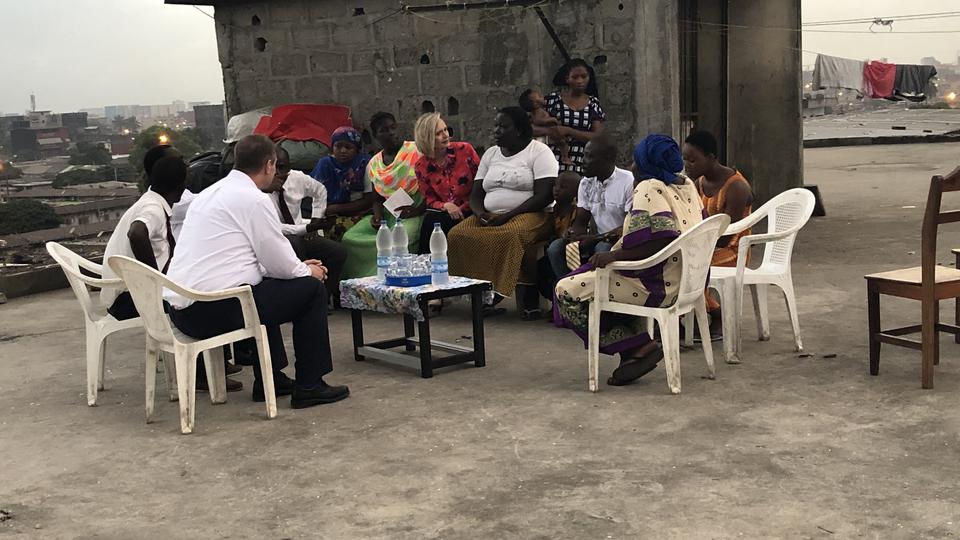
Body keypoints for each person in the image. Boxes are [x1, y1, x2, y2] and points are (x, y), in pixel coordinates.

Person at [164, 134, 349, 409]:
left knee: (264, 286)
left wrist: (299, 268)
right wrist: (308, 271)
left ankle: (270, 379)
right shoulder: (253, 199)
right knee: (311, 291)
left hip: (183, 309)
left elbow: (250, 261)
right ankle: (310, 385)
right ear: (269, 165)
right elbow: (279, 261)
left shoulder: (210, 194)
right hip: (210, 311)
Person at [554, 134, 705, 386]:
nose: (633, 166)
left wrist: (613, 256)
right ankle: (634, 352)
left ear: (647, 164)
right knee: (591, 279)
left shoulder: (650, 187)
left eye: (637, 161)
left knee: (566, 291)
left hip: (658, 283)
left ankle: (636, 346)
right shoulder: (686, 184)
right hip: (691, 279)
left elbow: (660, 241)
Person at [447, 106, 559, 313]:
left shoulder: (539, 152)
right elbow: (476, 195)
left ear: (519, 130)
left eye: (503, 126)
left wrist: (508, 215)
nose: (496, 131)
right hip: (490, 215)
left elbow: (544, 196)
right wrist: (480, 213)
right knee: (458, 234)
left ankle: (497, 291)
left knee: (510, 235)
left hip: (531, 214)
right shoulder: (491, 154)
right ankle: (477, 291)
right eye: (496, 125)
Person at [682, 130, 753, 338]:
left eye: (693, 160)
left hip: (732, 250)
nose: (687, 165)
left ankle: (717, 314)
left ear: (711, 157)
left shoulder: (736, 187)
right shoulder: (698, 183)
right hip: (705, 246)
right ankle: (690, 317)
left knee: (690, 265)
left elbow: (726, 235)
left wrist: (694, 244)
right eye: (685, 159)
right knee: (677, 262)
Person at [101, 155, 187, 321]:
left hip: (123, 294)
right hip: (128, 299)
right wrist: (154, 280)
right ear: (180, 187)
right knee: (198, 302)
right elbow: (137, 233)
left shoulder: (149, 200)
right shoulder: (153, 209)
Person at [340, 112, 423, 279]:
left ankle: (389, 279)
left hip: (414, 211)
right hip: (388, 214)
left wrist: (417, 210)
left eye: (392, 128)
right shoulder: (374, 164)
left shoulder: (416, 151)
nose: (391, 133)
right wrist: (377, 216)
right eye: (384, 130)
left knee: (397, 239)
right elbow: (377, 198)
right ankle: (360, 282)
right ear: (375, 135)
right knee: (350, 237)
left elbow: (433, 186)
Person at [266, 145, 348, 302]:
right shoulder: (261, 190)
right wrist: (307, 228)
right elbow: (275, 227)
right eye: (276, 168)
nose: (279, 173)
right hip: (277, 237)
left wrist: (316, 218)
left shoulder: (296, 178)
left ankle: (322, 299)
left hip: (302, 232)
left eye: (283, 168)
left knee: (337, 252)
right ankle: (302, 300)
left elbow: (320, 190)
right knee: (296, 244)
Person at [550, 135, 634, 277]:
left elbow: (627, 227)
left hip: (620, 242)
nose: (583, 161)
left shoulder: (628, 181)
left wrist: (594, 239)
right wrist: (573, 234)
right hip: (598, 238)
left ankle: (596, 288)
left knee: (602, 248)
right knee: (556, 248)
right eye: (584, 155)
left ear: (607, 159)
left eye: (589, 157)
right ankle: (569, 287)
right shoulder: (586, 183)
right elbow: (581, 221)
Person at [413, 112, 479, 254]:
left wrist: (464, 207)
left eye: (445, 130)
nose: (445, 135)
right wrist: (446, 206)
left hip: (472, 207)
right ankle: (427, 263)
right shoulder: (421, 166)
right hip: (446, 212)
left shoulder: (465, 150)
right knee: (432, 221)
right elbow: (429, 199)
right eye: (438, 133)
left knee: (439, 223)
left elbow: (481, 182)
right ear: (427, 138)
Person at [540, 59, 606, 174]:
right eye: (575, 77)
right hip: (552, 162)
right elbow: (531, 127)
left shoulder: (593, 104)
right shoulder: (552, 100)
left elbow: (597, 137)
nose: (580, 81)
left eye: (584, 77)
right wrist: (551, 131)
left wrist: (569, 131)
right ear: (567, 79)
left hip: (581, 162)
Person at [309, 126, 373, 241]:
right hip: (328, 213)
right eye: (338, 146)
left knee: (343, 231)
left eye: (348, 147)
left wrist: (336, 208)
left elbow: (368, 200)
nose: (343, 151)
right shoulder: (325, 165)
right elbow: (314, 195)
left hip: (359, 213)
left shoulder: (365, 164)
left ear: (357, 149)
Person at [536, 171, 581, 303]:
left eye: (563, 187)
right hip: (552, 251)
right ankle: (555, 303)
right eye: (555, 185)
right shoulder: (554, 209)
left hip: (570, 252)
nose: (556, 190)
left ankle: (568, 297)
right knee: (540, 270)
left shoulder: (577, 210)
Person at [519, 88, 571, 165]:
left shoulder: (541, 109)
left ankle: (565, 157)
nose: (543, 97)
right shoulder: (537, 111)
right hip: (546, 134)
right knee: (562, 143)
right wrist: (552, 119)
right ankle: (565, 158)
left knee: (563, 143)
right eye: (540, 96)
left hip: (549, 132)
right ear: (535, 104)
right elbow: (537, 120)